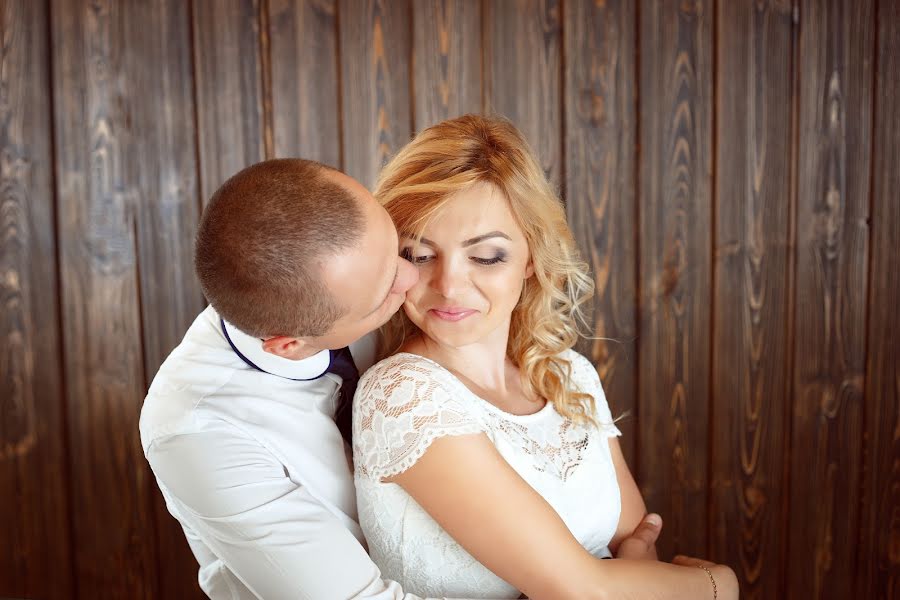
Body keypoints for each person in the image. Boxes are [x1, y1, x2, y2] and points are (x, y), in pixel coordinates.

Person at [353, 115, 739, 599]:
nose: (449, 286)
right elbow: (588, 592)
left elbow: (637, 548)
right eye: (419, 254)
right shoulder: (402, 395)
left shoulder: (568, 376)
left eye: (486, 256)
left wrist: (632, 579)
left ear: (532, 255)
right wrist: (719, 583)